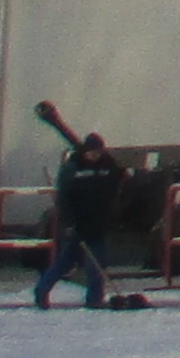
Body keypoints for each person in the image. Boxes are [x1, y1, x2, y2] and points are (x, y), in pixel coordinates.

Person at [35, 132, 121, 310]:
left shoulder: (108, 166)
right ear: (85, 152)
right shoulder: (73, 168)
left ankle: (94, 299)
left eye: (98, 152)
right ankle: (41, 291)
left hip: (97, 223)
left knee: (96, 264)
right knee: (64, 262)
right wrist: (69, 223)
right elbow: (64, 199)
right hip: (77, 224)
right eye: (92, 152)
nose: (95, 155)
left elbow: (115, 186)